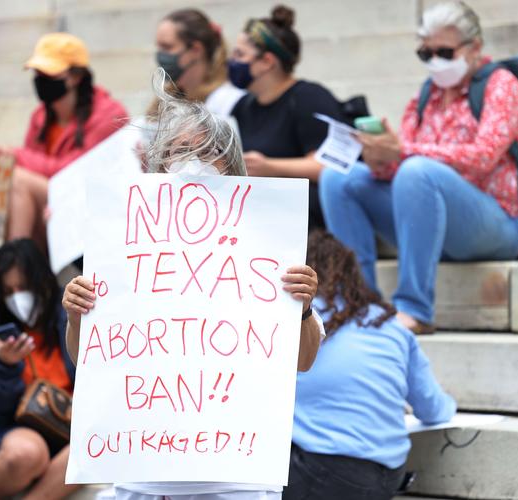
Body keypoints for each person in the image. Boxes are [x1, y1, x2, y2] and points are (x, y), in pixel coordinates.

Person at [62, 74, 323, 500]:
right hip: (142, 474)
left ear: (230, 165)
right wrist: (77, 316)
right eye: (179, 151)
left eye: (206, 152)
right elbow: (89, 361)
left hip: (235, 481)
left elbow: (304, 360)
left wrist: (305, 309)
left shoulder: (268, 243)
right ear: (158, 164)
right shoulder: (123, 246)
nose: (193, 162)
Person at [319, 0, 518, 334]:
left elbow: (484, 155)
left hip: (495, 223)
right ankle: (358, 301)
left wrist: (403, 151)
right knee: (338, 178)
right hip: (432, 216)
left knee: (418, 170)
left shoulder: (502, 86)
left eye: (444, 52)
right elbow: (403, 168)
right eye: (426, 54)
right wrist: (380, 160)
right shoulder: (426, 95)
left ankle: (414, 308)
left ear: (474, 47)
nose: (435, 62)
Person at [0, 32, 129, 321]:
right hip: (48, 207)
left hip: (83, 209)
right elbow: (35, 167)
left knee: (17, 179)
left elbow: (75, 173)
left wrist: (13, 154)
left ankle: (16, 278)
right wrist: (2, 157)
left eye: (47, 72)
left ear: (74, 76)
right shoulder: (40, 116)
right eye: (37, 72)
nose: (39, 79)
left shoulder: (109, 114)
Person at [283, 230, 456, 500]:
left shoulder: (298, 323)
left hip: (322, 474)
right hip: (389, 475)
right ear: (354, 275)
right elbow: (434, 408)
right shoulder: (391, 325)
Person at [0, 239, 78, 500]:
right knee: (26, 454)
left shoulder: (66, 319)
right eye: (8, 291)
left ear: (41, 282)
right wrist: (5, 367)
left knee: (86, 452)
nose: (17, 297)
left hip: (70, 428)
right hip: (16, 429)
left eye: (23, 287)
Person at [229, 5, 348, 230]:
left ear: (267, 62)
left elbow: (330, 168)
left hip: (308, 215)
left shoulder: (308, 97)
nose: (232, 61)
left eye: (239, 54)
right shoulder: (243, 106)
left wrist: (271, 167)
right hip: (266, 208)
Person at [154, 8, 244, 118]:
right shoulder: (164, 102)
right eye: (159, 47)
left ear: (196, 50)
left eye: (167, 47)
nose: (160, 54)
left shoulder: (227, 101)